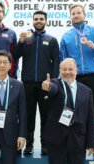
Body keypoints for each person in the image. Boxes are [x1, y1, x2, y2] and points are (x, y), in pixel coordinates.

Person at [60, 4, 94, 157]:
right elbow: (62, 59)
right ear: (70, 16)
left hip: (92, 76)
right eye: (73, 13)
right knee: (72, 111)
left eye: (78, 13)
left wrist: (93, 45)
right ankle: (74, 142)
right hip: (74, 79)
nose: (76, 15)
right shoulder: (67, 36)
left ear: (84, 14)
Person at [42, 58, 94, 164]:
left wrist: (91, 143)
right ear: (59, 71)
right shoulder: (55, 83)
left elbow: (91, 118)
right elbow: (52, 89)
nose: (67, 72)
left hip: (78, 141)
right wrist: (47, 87)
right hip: (56, 140)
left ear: (76, 71)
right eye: (64, 69)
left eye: (70, 69)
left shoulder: (86, 91)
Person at [13, 10, 60, 155]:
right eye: (36, 19)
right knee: (28, 116)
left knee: (46, 116)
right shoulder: (26, 38)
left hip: (45, 85)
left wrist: (52, 82)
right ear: (32, 21)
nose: (38, 21)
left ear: (46, 21)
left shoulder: (51, 40)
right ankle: (29, 145)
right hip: (27, 84)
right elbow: (14, 56)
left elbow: (56, 62)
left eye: (41, 19)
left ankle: (45, 145)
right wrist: (19, 42)